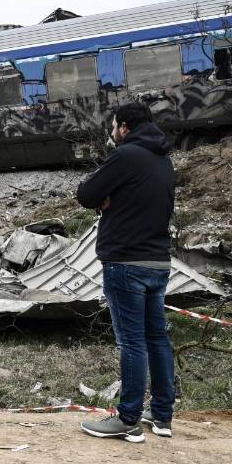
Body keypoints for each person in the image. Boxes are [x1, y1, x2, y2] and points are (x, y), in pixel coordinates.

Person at [76, 102, 176, 443]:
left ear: (125, 127)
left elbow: (86, 194)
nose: (114, 131)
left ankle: (128, 419)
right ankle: (162, 416)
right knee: (157, 339)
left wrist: (106, 198)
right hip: (158, 261)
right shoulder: (163, 159)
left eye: (115, 125)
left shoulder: (126, 156)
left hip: (126, 263)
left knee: (132, 342)